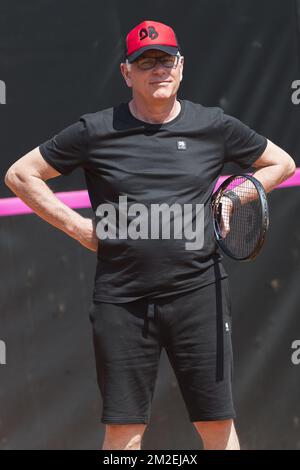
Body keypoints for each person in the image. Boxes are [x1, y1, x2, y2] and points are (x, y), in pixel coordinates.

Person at [4, 19, 295, 450]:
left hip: (200, 296)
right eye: (145, 62)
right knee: (124, 434)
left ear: (181, 66)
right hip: (123, 301)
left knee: (217, 426)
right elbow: (20, 174)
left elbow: (281, 163)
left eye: (165, 60)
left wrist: (232, 197)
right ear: (127, 73)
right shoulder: (96, 130)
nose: (158, 70)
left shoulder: (212, 125)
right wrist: (79, 227)